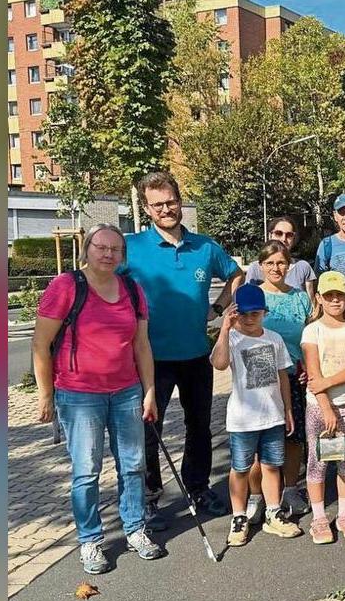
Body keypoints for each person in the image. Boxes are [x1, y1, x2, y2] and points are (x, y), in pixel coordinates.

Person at [33, 224, 164, 574]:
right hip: (79, 395)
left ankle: (136, 529)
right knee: (87, 472)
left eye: (115, 250)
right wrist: (46, 393)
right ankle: (90, 540)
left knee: (133, 464)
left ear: (123, 256)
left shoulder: (132, 290)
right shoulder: (65, 287)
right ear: (87, 249)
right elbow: (40, 344)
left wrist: (149, 391)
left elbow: (141, 345)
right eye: (100, 247)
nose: (107, 254)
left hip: (125, 392)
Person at [122, 171, 244, 530]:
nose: (166, 209)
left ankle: (198, 487)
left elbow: (236, 275)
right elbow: (99, 278)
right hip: (150, 359)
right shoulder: (132, 247)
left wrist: (218, 309)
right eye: (157, 205)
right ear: (146, 208)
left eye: (171, 202)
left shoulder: (205, 247)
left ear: (179, 200)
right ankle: (150, 499)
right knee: (149, 430)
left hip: (194, 355)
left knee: (199, 427)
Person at [210, 284, 303, 546]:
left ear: (264, 312)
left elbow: (283, 375)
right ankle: (239, 516)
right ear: (235, 313)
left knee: (272, 465)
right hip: (242, 419)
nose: (250, 319)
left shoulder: (273, 338)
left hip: (272, 415)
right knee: (240, 468)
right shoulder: (233, 338)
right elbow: (218, 363)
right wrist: (225, 329)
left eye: (256, 313)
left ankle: (274, 512)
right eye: (244, 314)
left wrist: (287, 409)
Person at [245, 241, 313, 524]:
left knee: (294, 435)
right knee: (259, 439)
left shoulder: (300, 297)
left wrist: (309, 366)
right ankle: (256, 496)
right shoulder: (252, 295)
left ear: (290, 266)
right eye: (270, 263)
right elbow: (242, 336)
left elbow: (309, 335)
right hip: (260, 377)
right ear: (261, 266)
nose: (276, 268)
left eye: (281, 263)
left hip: (294, 373)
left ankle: (290, 489)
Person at [301, 271, 345, 543]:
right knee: (317, 461)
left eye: (339, 295)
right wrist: (326, 406)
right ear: (319, 298)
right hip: (319, 408)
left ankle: (343, 513)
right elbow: (313, 372)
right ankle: (318, 518)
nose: (334, 301)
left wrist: (326, 383)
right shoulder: (312, 330)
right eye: (328, 296)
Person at [245, 216, 316, 301]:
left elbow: (311, 303)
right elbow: (248, 301)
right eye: (278, 233)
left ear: (294, 238)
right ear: (270, 235)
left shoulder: (303, 267)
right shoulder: (255, 268)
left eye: (289, 235)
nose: (283, 239)